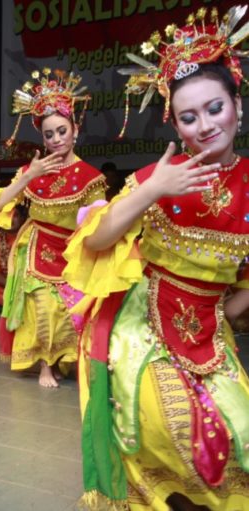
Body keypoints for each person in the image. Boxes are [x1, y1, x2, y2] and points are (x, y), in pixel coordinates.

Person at [64, 6, 249, 509]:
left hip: (210, 337)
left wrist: (219, 317)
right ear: (176, 123)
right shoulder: (157, 177)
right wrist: (153, 190)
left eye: (216, 108)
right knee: (173, 428)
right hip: (142, 329)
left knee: (239, 437)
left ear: (237, 102)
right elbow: (96, 241)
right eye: (189, 117)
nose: (206, 126)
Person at [0, 68, 105, 388]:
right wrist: (28, 176)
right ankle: (45, 365)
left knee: (69, 310)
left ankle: (65, 360)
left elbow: (100, 220)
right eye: (49, 135)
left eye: (62, 131)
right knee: (42, 309)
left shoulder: (90, 176)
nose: (56, 139)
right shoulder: (32, 170)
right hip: (36, 248)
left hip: (73, 250)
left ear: (75, 129)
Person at [0, 205, 26, 307]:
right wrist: (12, 286)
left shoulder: (29, 237)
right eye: (6, 216)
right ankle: (20, 306)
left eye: (15, 215)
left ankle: (10, 306)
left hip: (28, 285)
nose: (10, 219)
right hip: (6, 286)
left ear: (22, 218)